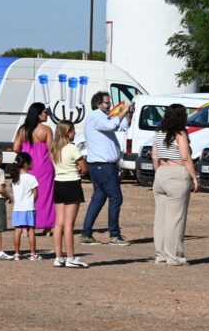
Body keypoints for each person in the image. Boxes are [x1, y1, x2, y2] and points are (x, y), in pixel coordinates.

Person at [80, 92, 134, 245]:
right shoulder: (96, 117)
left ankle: (86, 233)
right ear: (98, 104)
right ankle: (114, 235)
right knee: (116, 197)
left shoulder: (103, 117)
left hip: (101, 165)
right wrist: (123, 110)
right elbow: (112, 125)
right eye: (106, 103)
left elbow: (122, 126)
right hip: (103, 166)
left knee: (98, 198)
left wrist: (129, 114)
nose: (110, 105)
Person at [152, 104, 199, 266]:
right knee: (176, 218)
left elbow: (154, 155)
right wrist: (194, 178)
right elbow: (185, 157)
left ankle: (161, 255)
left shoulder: (159, 132)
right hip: (176, 174)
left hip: (161, 174)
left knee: (161, 218)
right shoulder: (180, 133)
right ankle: (174, 256)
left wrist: (159, 172)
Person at [51, 120, 90, 268]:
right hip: (72, 183)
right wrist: (80, 169)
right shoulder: (72, 148)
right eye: (73, 131)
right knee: (69, 224)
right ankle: (71, 257)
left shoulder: (54, 149)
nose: (75, 134)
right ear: (68, 132)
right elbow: (84, 168)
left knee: (58, 223)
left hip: (58, 183)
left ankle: (58, 256)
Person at [12, 103, 55, 234]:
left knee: (26, 195)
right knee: (46, 196)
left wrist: (26, 151)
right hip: (45, 167)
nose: (47, 114)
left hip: (27, 166)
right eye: (45, 112)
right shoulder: (46, 130)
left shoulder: (23, 130)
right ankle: (47, 226)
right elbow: (51, 150)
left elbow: (15, 148)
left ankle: (25, 226)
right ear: (38, 114)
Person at [9, 151, 39, 260]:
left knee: (17, 230)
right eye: (30, 162)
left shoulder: (15, 179)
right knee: (31, 230)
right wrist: (32, 202)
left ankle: (17, 253)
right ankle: (32, 254)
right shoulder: (31, 178)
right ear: (26, 164)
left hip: (17, 208)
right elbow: (36, 193)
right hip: (29, 208)